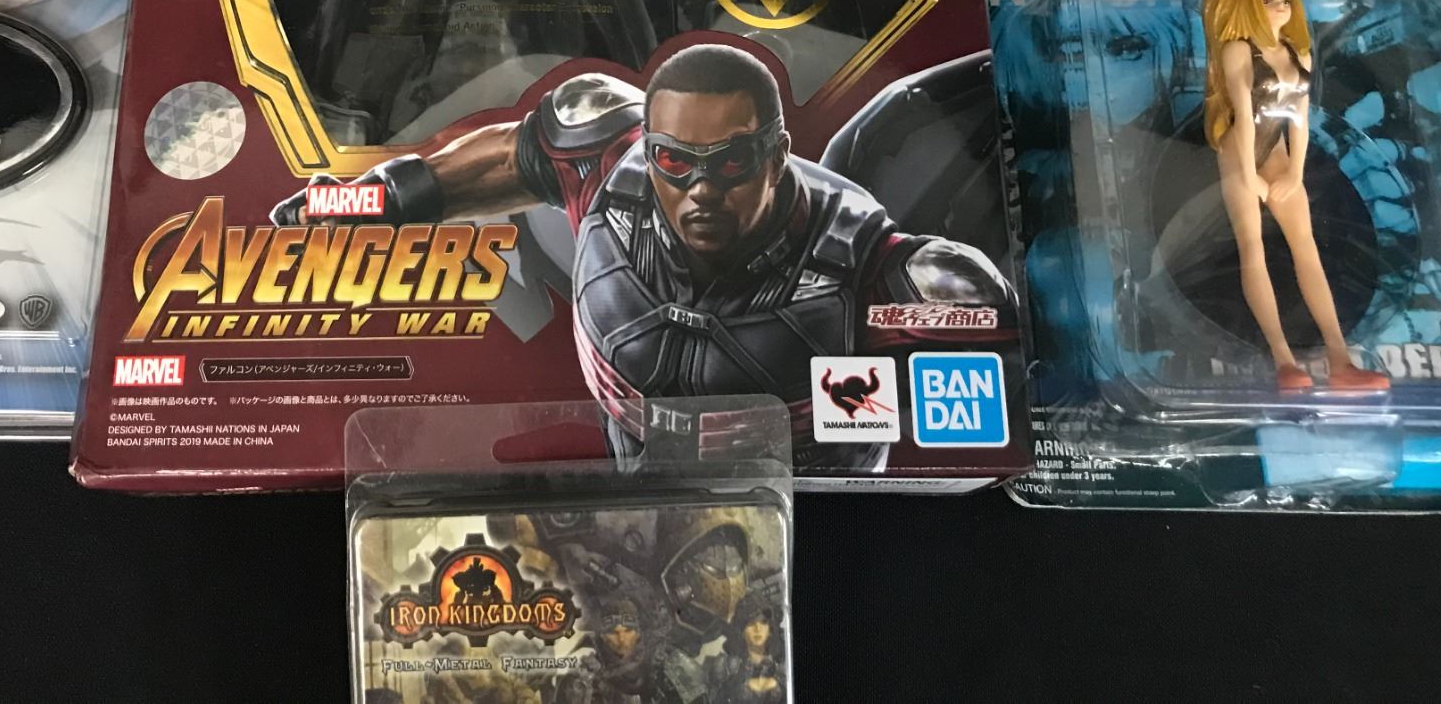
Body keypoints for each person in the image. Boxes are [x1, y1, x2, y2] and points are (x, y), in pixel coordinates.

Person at [274, 42, 1012, 469]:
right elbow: (491, 164)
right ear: (651, 148)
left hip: (806, 482)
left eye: (730, 163)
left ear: (777, 153)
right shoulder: (605, 156)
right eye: (675, 162)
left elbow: (992, 380)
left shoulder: (883, 268)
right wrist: (363, 200)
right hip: (623, 449)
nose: (701, 190)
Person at [1202, 0, 1387, 392]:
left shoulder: (1298, 53)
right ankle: (1283, 360)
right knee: (1253, 249)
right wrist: (1249, 176)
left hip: (1280, 155)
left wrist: (1296, 172)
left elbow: (1300, 119)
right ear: (1248, 3)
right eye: (1267, 1)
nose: (1279, 8)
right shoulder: (1237, 50)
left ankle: (1340, 360)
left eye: (1284, 0)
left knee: (1307, 250)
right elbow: (1243, 117)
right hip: (1238, 153)